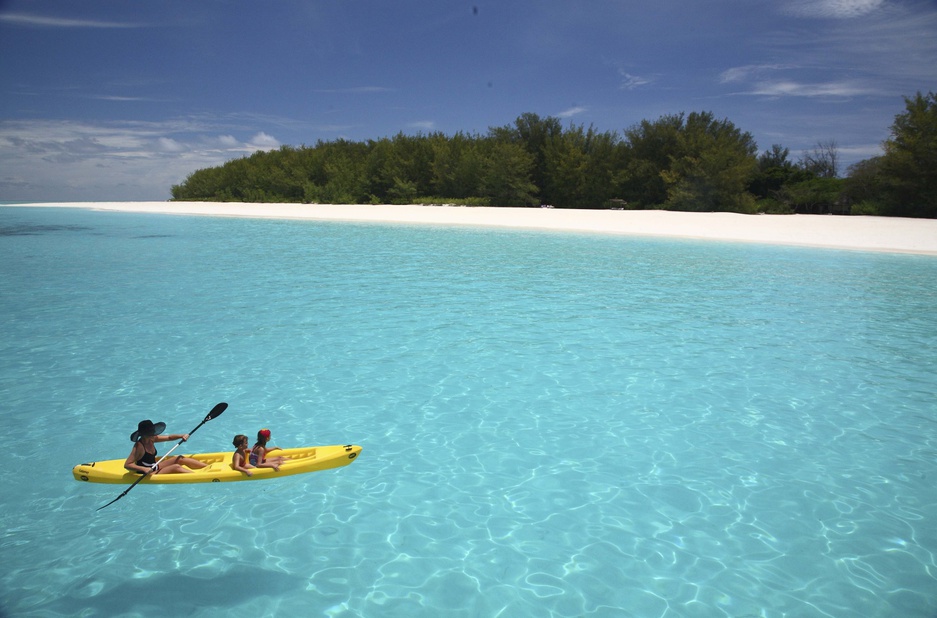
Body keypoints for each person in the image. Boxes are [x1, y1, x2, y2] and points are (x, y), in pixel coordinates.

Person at [124, 419, 209, 475]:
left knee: (180, 459)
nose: (154, 434)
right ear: (144, 434)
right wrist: (143, 469)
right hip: (149, 473)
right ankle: (196, 476)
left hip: (155, 466)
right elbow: (127, 465)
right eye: (151, 432)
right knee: (175, 467)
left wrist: (181, 436)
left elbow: (169, 437)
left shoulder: (152, 438)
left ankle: (208, 468)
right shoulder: (139, 446)